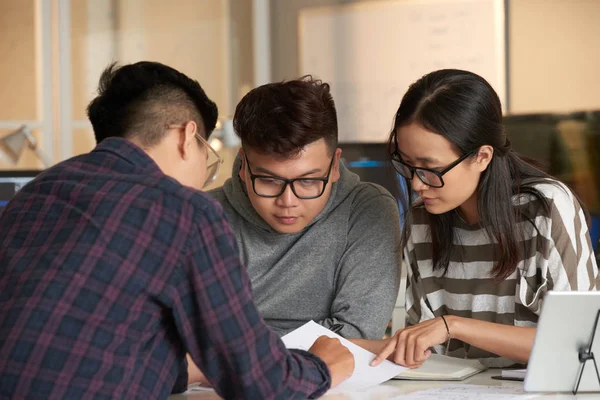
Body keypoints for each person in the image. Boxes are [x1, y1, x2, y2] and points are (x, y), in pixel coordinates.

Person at [0, 61, 354, 399]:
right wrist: (321, 365)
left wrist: (189, 369)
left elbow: (94, 350)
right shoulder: (185, 210)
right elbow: (262, 385)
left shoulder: (34, 195)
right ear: (188, 137)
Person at [356, 69, 599, 369]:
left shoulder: (546, 209)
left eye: (430, 168)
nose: (417, 184)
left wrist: (453, 326)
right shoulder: (422, 221)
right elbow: (425, 350)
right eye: (406, 164)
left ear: (482, 156)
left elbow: (582, 344)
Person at [209, 76, 401, 339]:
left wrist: (240, 343)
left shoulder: (367, 211)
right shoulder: (204, 215)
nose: (288, 201)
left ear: (334, 166)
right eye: (269, 180)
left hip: (335, 378)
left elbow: (358, 333)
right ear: (243, 166)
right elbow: (199, 335)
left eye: (309, 181)